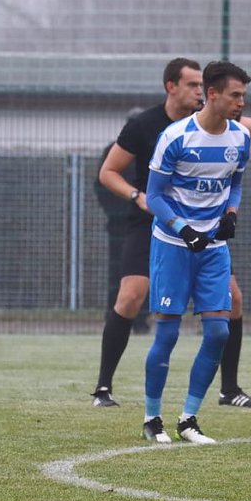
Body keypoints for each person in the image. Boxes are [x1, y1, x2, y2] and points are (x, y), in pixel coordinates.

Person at [92, 57, 251, 408]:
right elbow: (108, 172)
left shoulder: (222, 123)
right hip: (153, 223)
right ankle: (103, 387)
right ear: (171, 87)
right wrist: (138, 197)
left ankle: (229, 389)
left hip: (203, 228)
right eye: (191, 85)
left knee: (233, 299)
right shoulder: (146, 126)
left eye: (200, 85)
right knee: (131, 295)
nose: (198, 92)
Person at [141, 61, 251, 444]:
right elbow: (154, 196)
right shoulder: (175, 137)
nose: (241, 102)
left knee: (219, 332)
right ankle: (152, 418)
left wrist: (231, 213)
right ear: (213, 94)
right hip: (173, 246)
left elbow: (235, 183)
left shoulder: (240, 138)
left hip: (213, 248)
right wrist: (182, 228)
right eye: (235, 95)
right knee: (168, 334)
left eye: (244, 95)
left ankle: (188, 419)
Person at [93, 107, 150, 333]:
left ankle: (141, 319)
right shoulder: (114, 150)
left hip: (145, 222)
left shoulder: (151, 151)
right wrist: (117, 213)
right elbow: (102, 184)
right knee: (118, 270)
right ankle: (114, 317)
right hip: (120, 224)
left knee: (144, 273)